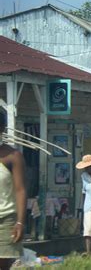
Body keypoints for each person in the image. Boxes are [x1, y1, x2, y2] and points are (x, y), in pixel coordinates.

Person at [0, 110, 26, 270]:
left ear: (2, 129)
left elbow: (20, 190)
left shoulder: (12, 156)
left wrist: (20, 222)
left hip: (6, 220)